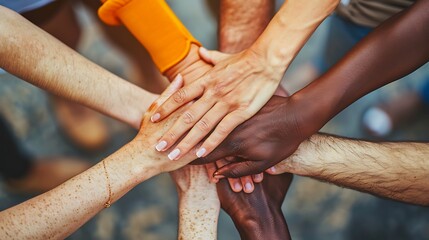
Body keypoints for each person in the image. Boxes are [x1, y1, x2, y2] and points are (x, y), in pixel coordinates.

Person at [195, 0, 429, 205]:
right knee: (348, 35)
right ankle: (321, 68)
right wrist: (265, 57)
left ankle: (421, 96)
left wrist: (302, 112)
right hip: (361, 12)